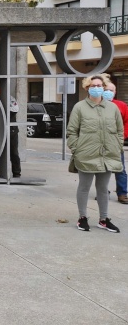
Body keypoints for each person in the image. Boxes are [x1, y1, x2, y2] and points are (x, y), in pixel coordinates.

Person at [67, 75, 123, 233]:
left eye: (100, 85)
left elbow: (119, 130)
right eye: (93, 85)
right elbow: (72, 131)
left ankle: (104, 219)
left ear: (104, 87)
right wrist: (76, 149)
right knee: (84, 187)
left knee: (103, 189)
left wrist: (117, 146)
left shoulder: (112, 108)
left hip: (107, 156)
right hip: (86, 155)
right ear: (87, 88)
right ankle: (82, 218)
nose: (97, 87)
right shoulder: (79, 107)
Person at [102, 79, 128, 204]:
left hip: (116, 143)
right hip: (100, 143)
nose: (108, 92)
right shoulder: (97, 105)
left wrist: (123, 136)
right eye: (106, 90)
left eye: (111, 90)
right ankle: (103, 192)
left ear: (115, 92)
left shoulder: (121, 105)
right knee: (101, 169)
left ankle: (122, 194)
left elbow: (127, 122)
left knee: (120, 169)